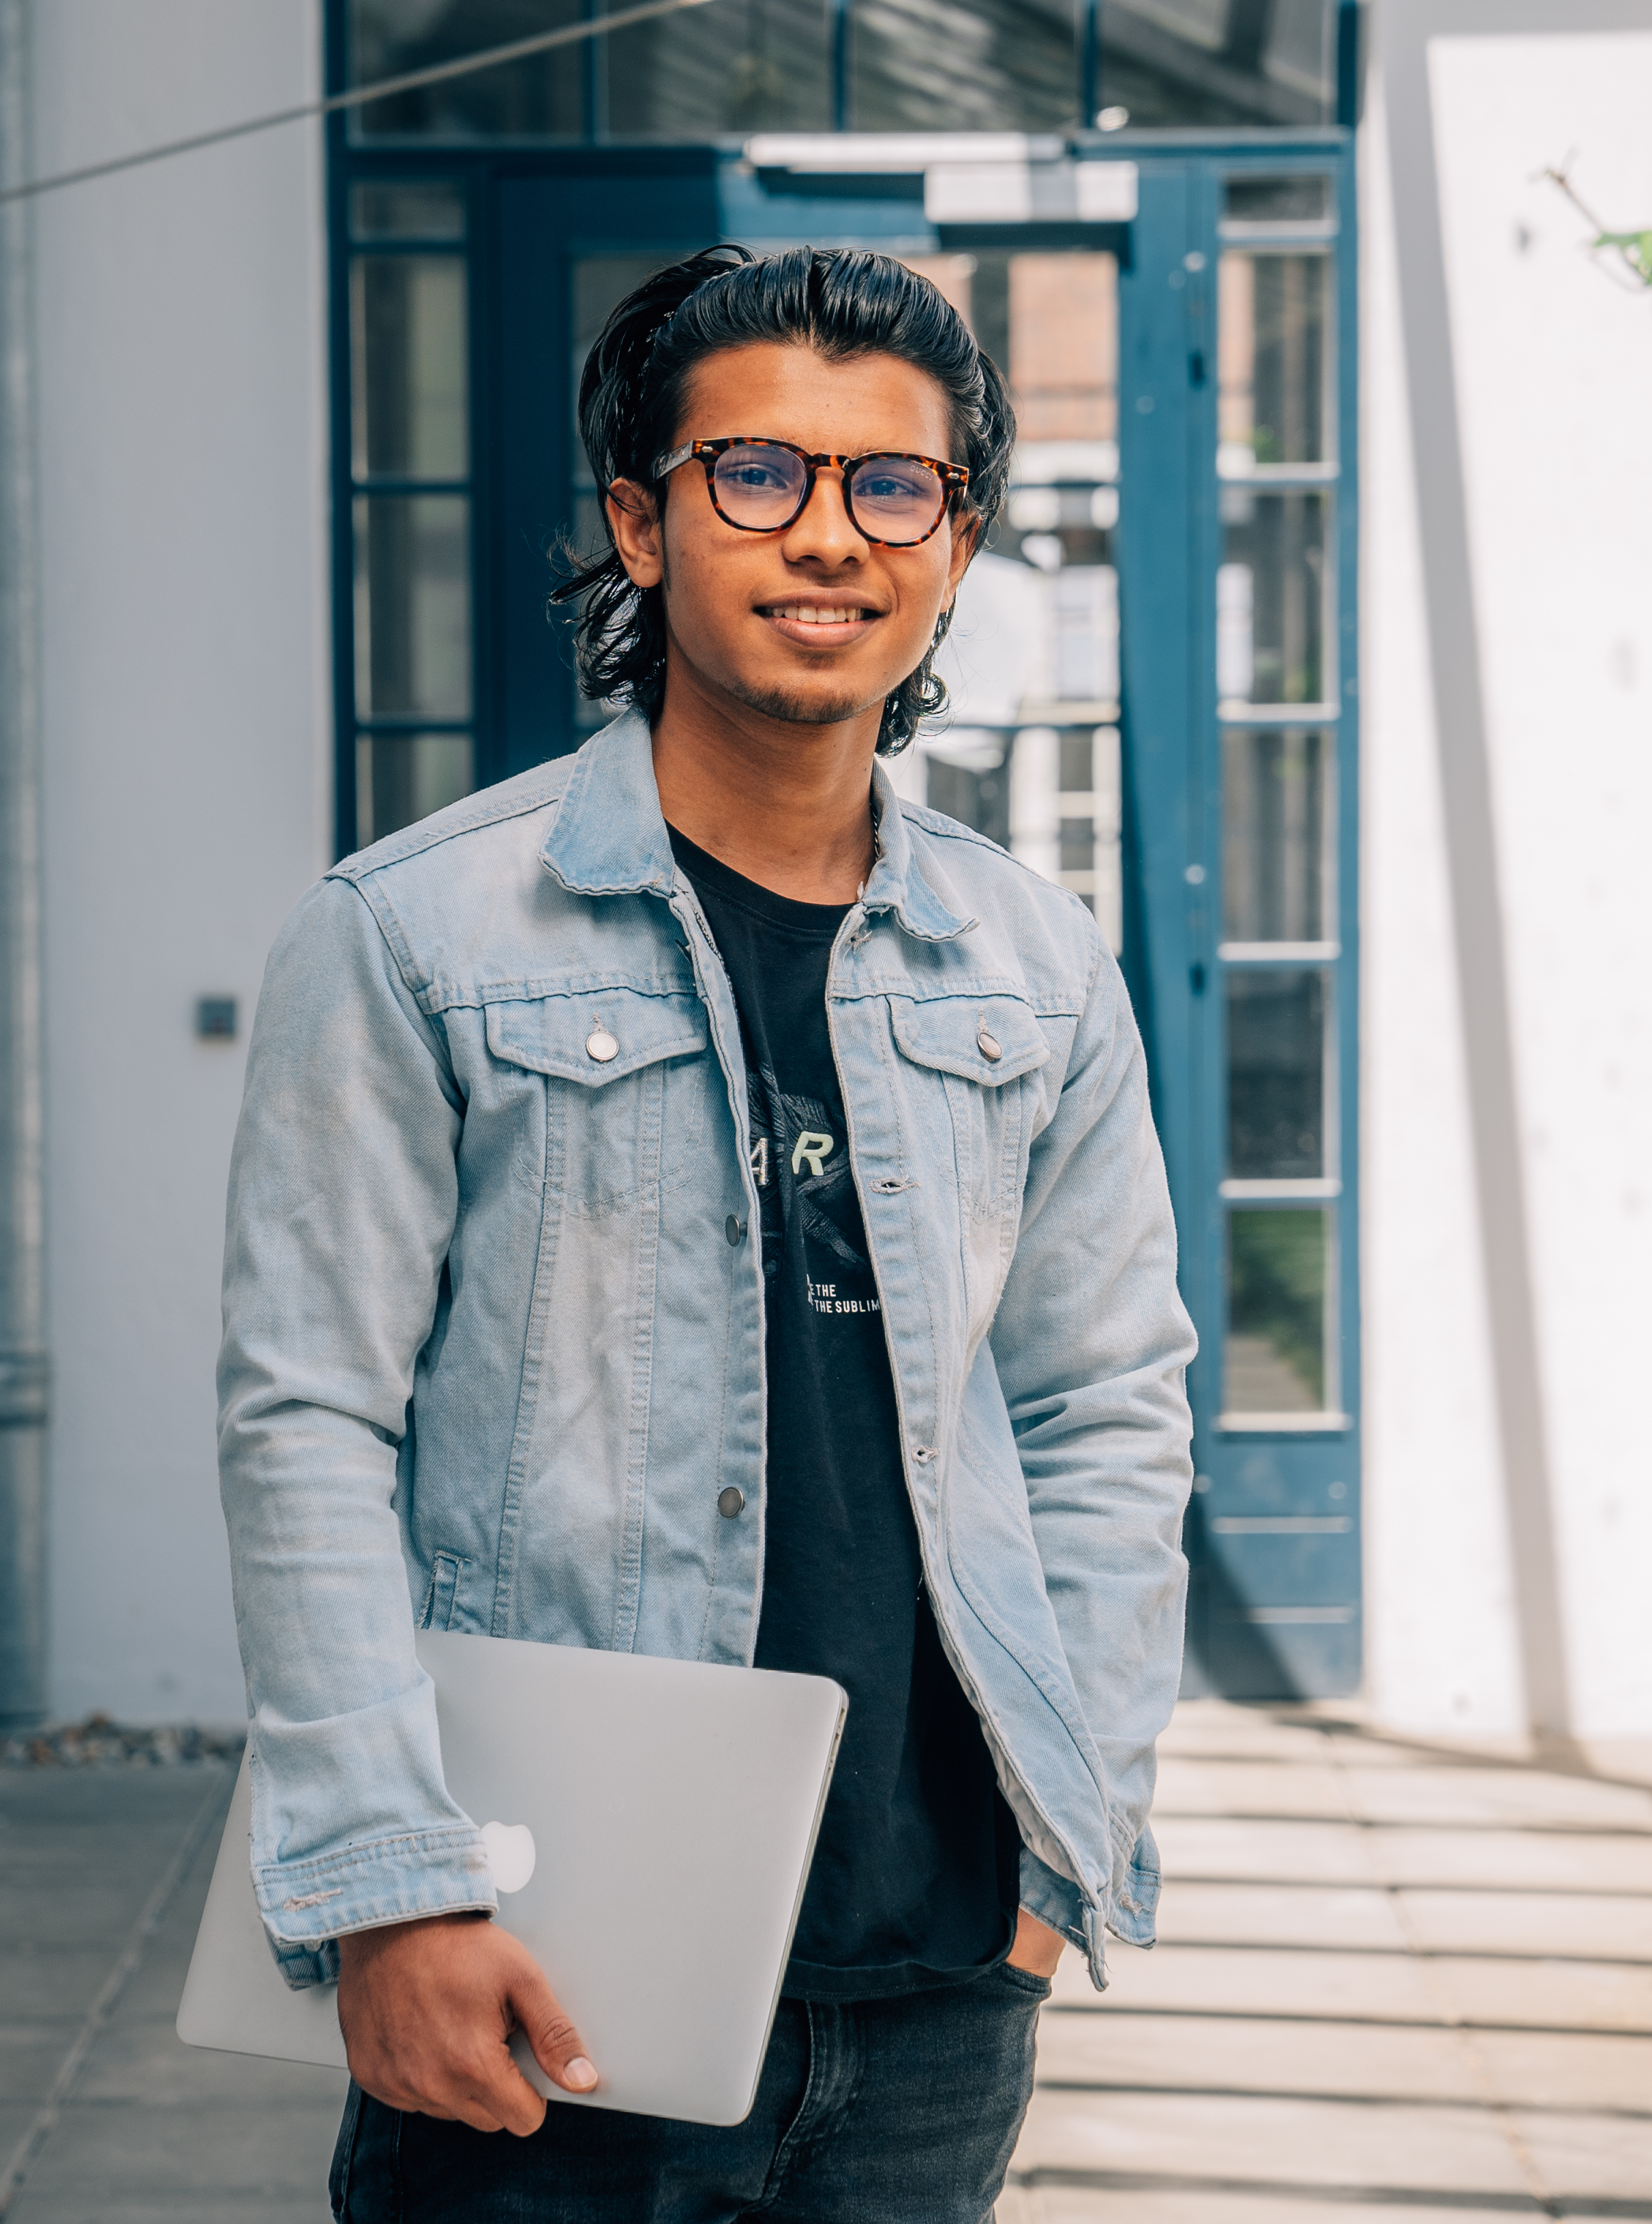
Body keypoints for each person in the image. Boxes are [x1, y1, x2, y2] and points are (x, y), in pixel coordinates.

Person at [215, 243, 1196, 2223]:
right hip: (549, 1954)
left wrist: (1058, 1857)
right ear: (637, 524)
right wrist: (388, 1884)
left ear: (953, 543)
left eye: (886, 485)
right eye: (755, 473)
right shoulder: (412, 938)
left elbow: (1107, 1413)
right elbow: (307, 1423)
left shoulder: (1034, 963)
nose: (824, 534)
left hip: (932, 1991)